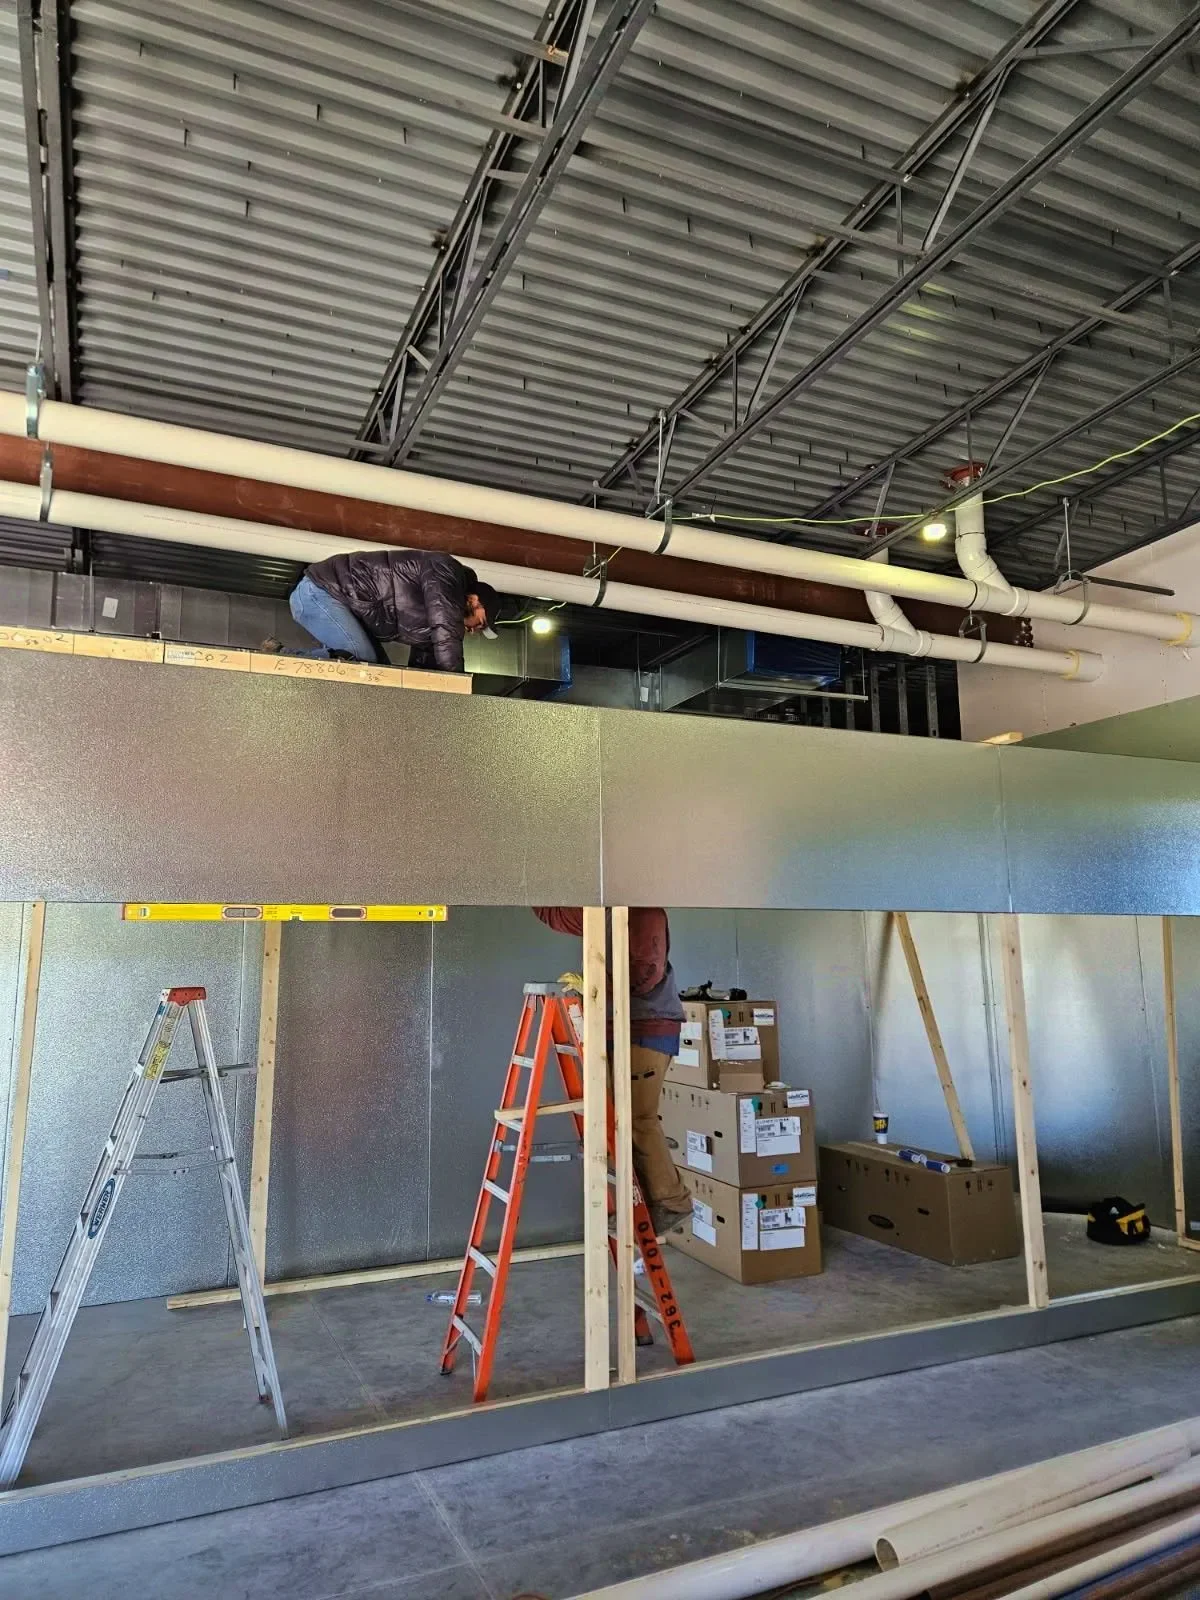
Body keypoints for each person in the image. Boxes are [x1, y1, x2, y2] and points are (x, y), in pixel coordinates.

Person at [533, 906, 692, 1236]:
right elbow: (558, 916)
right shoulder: (604, 907)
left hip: (645, 1027)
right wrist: (529, 886)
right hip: (620, 1027)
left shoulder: (644, 910)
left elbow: (645, 973)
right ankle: (639, 1206)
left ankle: (671, 1203)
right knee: (619, 1120)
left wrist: (596, 986)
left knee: (638, 1118)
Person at [275, 548, 500, 672]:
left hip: (337, 602)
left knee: (381, 674)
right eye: (480, 624)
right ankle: (280, 659)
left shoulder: (434, 623)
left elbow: (427, 669)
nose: (473, 631)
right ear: (474, 600)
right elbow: (446, 629)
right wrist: (458, 693)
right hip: (320, 591)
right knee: (363, 662)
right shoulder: (445, 572)